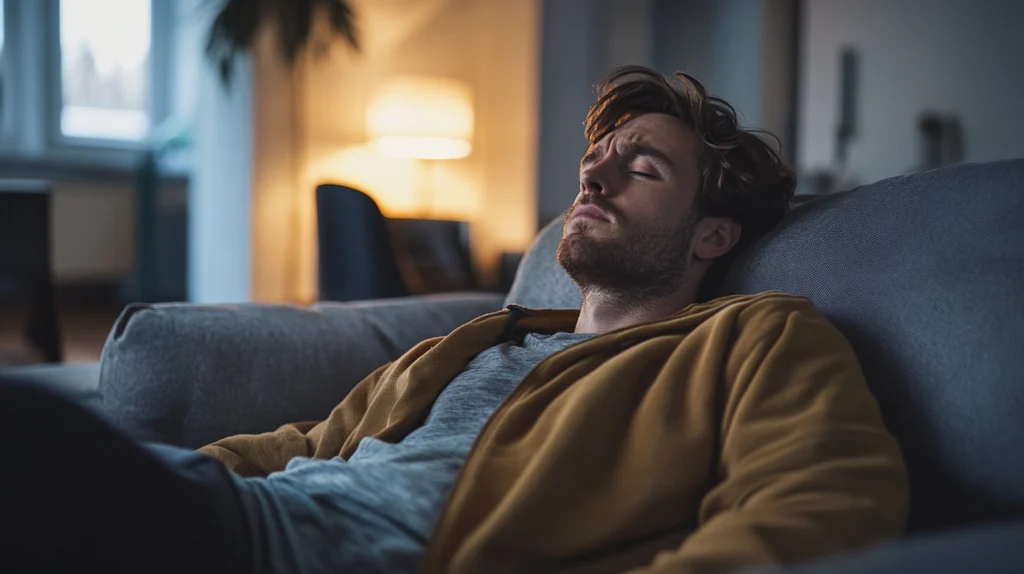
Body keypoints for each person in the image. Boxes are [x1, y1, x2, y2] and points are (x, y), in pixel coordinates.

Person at [0, 66, 908, 574]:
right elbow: (311, 442)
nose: (592, 177)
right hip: (247, 514)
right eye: (596, 159)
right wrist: (164, 466)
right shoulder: (489, 337)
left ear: (713, 234)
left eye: (642, 169)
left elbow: (822, 502)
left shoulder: (753, 339)